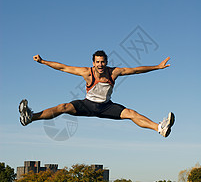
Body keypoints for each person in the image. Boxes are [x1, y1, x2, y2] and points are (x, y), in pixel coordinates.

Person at [19, 50, 175, 137]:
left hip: (106, 107)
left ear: (106, 62)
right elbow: (63, 67)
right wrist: (43, 61)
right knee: (63, 107)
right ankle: (30, 118)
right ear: (93, 63)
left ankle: (159, 128)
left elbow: (135, 70)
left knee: (131, 113)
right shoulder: (87, 73)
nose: (100, 65)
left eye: (103, 62)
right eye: (97, 62)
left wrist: (157, 67)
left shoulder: (114, 72)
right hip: (87, 105)